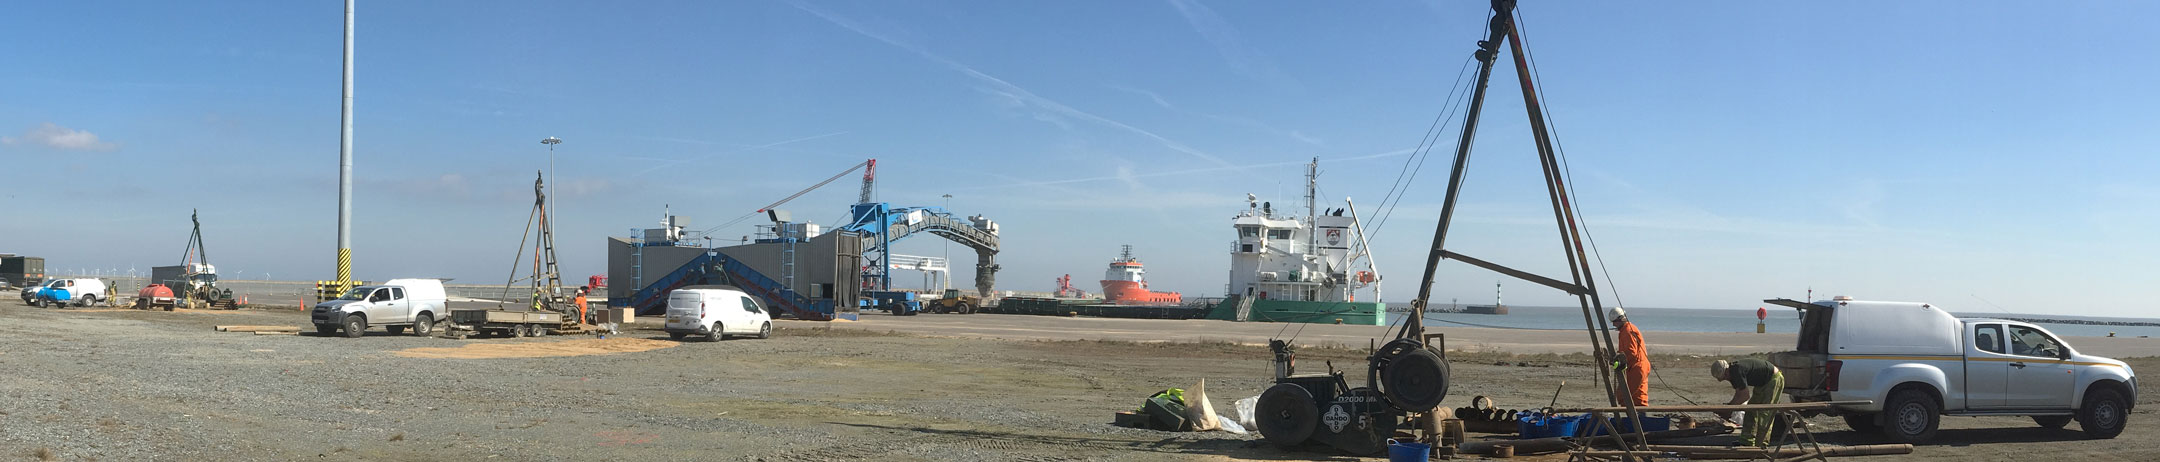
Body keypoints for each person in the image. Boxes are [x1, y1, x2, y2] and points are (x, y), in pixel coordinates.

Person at [1710, 358, 1784, 447]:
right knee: (1750, 410)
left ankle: (1762, 444)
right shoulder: (1732, 373)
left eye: (1725, 377)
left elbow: (1744, 396)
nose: (1726, 379)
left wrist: (1728, 410)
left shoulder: (1736, 370)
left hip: (1773, 379)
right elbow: (1738, 394)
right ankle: (1746, 441)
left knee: (1764, 413)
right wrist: (1729, 408)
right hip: (1762, 383)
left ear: (1726, 372)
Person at [1611, 307, 1651, 407]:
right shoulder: (1627, 329)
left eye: (1615, 322)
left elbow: (1630, 353)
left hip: (1637, 367)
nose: (1613, 324)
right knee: (1638, 396)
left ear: (1622, 318)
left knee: (1624, 395)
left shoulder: (1628, 331)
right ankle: (1640, 419)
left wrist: (1619, 359)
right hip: (1637, 366)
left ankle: (1636, 420)